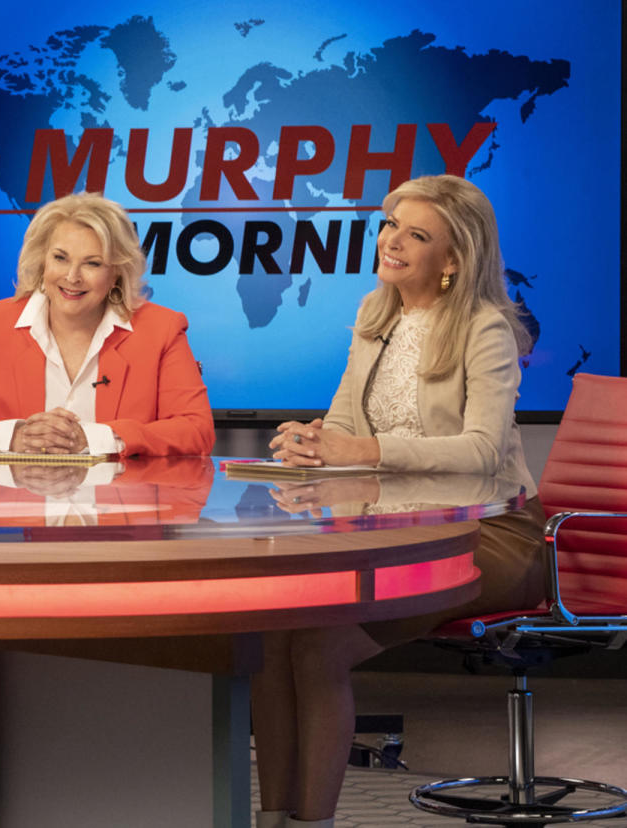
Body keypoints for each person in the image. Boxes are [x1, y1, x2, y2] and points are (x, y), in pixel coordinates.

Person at [252, 174, 546, 827]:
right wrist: (311, 443)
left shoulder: (486, 328)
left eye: (417, 235)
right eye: (390, 226)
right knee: (273, 638)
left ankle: (314, 822)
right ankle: (272, 818)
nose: (392, 242)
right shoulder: (375, 315)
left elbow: (481, 451)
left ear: (454, 258)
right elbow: (345, 422)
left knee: (321, 647)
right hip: (394, 526)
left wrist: (363, 451)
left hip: (490, 534)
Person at [0, 191, 215, 457]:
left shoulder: (160, 329)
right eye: (60, 258)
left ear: (116, 273)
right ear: (42, 259)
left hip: (121, 513)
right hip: (17, 513)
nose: (72, 277)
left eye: (92, 263)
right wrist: (15, 436)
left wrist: (95, 438)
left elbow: (196, 431)